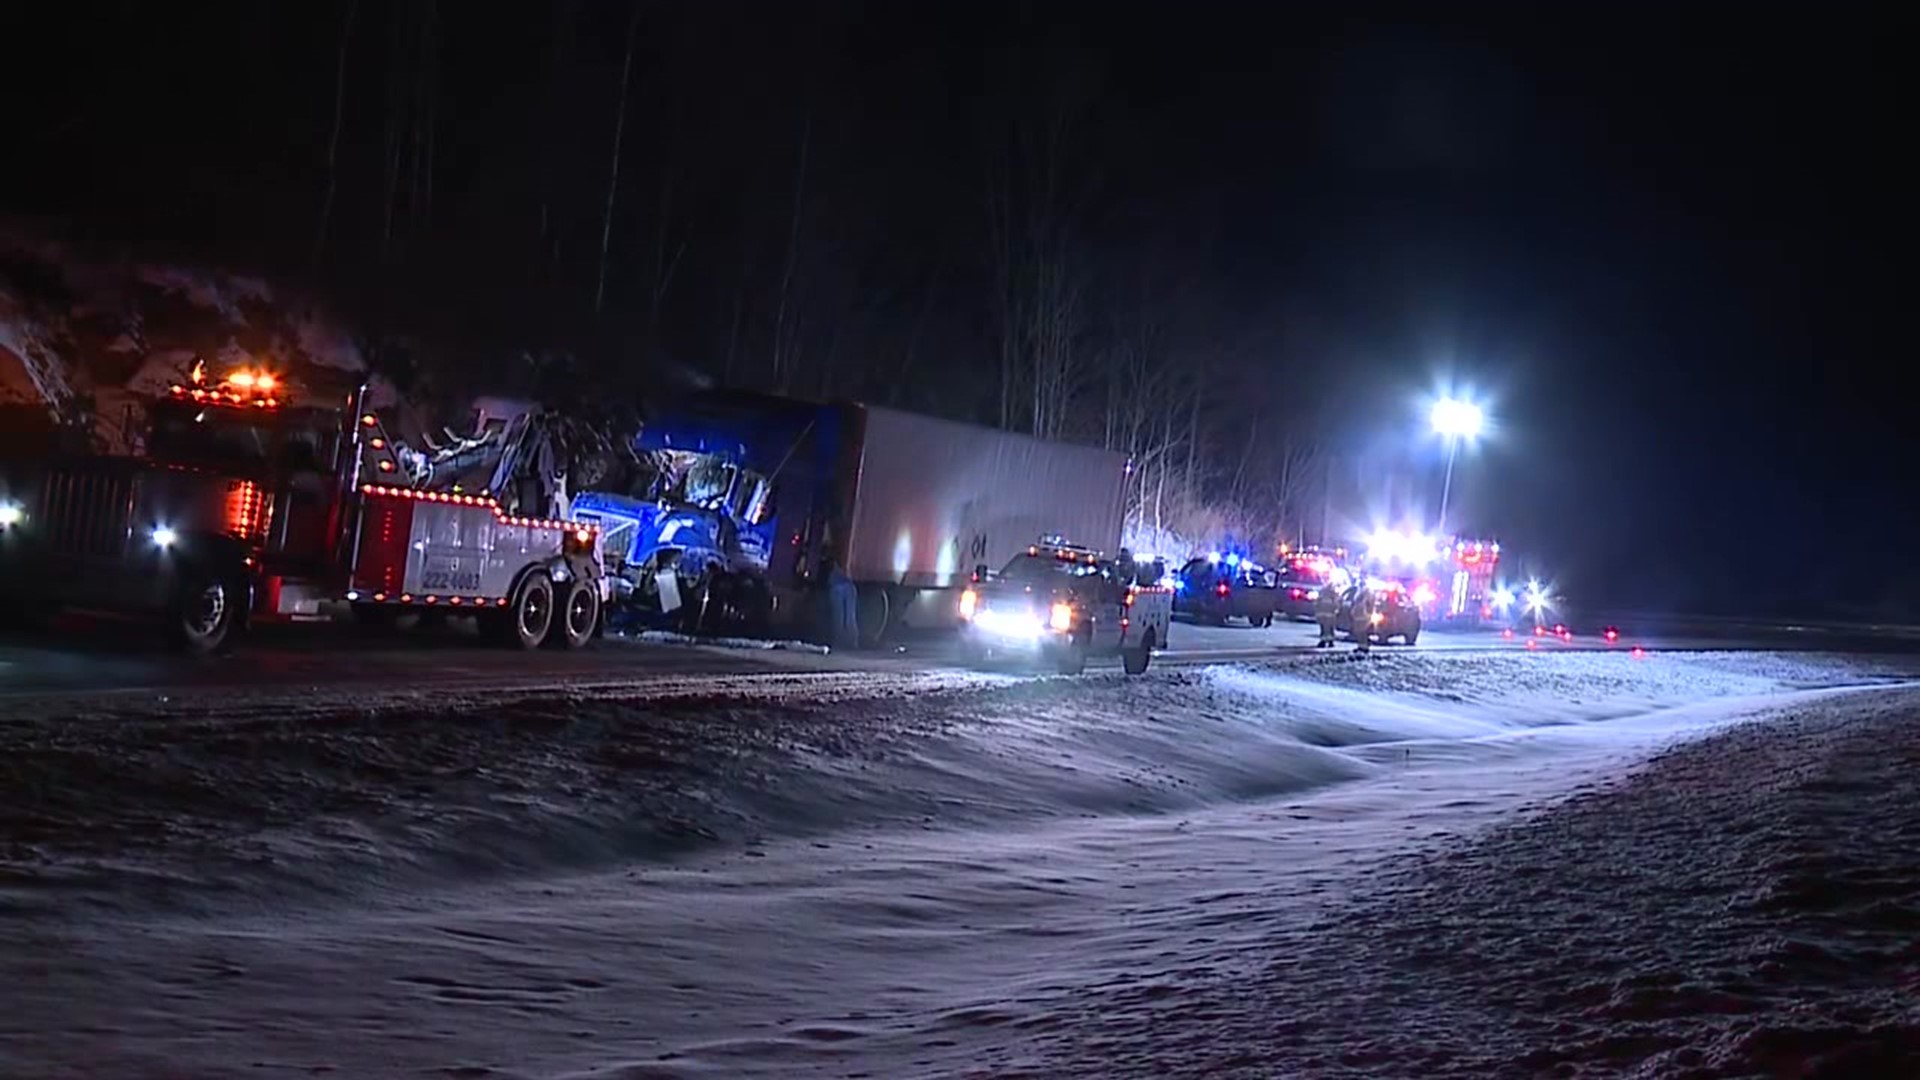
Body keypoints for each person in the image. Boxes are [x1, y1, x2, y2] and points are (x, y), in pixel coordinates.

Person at [1349, 579, 1375, 654]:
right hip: (1358, 616)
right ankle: (1361, 646)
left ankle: (1365, 647)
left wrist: (1368, 612)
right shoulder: (1359, 592)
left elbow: (1369, 604)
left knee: (1363, 632)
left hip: (1364, 616)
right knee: (1359, 632)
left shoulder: (1367, 592)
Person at [1314, 577, 1340, 647]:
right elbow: (1318, 601)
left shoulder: (1331, 593)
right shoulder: (1325, 592)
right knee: (1326, 628)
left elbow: (1336, 602)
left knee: (1327, 628)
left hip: (1328, 613)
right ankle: (1327, 641)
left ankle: (1327, 641)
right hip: (1325, 613)